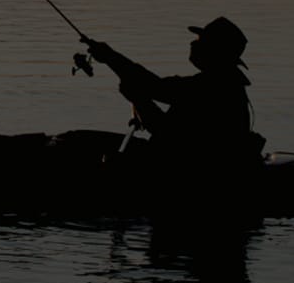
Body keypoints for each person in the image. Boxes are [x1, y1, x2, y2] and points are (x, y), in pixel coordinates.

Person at [81, 17, 264, 170]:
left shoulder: (208, 87)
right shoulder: (222, 84)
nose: (193, 42)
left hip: (188, 167)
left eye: (201, 41)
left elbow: (163, 128)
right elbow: (153, 87)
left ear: (214, 51)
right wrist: (112, 60)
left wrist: (138, 98)